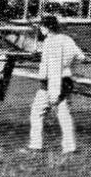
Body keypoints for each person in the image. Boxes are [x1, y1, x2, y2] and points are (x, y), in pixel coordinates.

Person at [27, 14, 81, 155]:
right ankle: (70, 148)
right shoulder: (66, 39)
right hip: (66, 81)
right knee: (64, 115)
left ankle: (35, 145)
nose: (40, 29)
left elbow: (54, 67)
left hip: (52, 82)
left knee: (37, 112)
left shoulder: (50, 42)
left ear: (47, 27)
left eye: (42, 27)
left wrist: (54, 92)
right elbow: (81, 56)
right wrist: (68, 65)